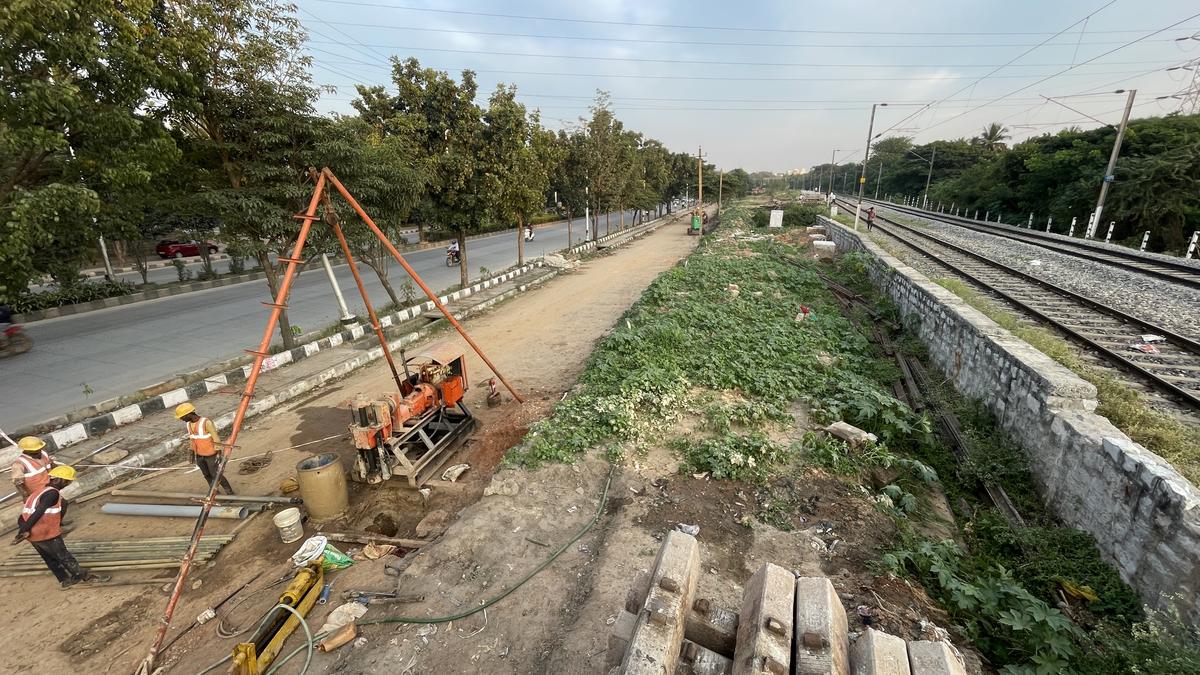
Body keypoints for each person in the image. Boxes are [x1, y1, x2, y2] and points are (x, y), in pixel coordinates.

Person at [13, 465, 109, 588]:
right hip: (45, 531)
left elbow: (23, 515)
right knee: (64, 556)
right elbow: (39, 511)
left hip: (32, 534)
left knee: (49, 558)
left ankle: (64, 580)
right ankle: (83, 576)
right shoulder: (52, 494)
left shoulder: (38, 492)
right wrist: (24, 529)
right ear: (60, 480)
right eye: (68, 481)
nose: (68, 484)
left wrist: (23, 530)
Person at [175, 403, 234, 495]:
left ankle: (230, 493)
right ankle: (215, 494)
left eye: (182, 417)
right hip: (199, 455)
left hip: (211, 455)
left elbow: (216, 438)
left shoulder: (206, 422)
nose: (181, 419)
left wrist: (218, 454)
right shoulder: (189, 425)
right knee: (207, 475)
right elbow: (192, 439)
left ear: (189, 414)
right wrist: (191, 452)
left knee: (216, 475)